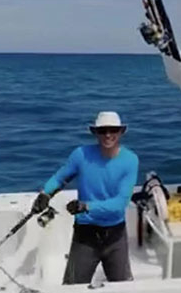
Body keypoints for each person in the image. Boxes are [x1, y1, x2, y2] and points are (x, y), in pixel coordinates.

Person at [31, 111, 139, 284]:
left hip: (115, 235)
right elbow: (60, 178)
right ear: (95, 133)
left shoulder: (130, 160)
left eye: (113, 130)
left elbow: (121, 203)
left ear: (121, 132)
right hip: (85, 234)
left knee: (123, 288)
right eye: (103, 131)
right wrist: (45, 194)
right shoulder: (80, 154)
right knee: (71, 288)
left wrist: (86, 206)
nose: (108, 135)